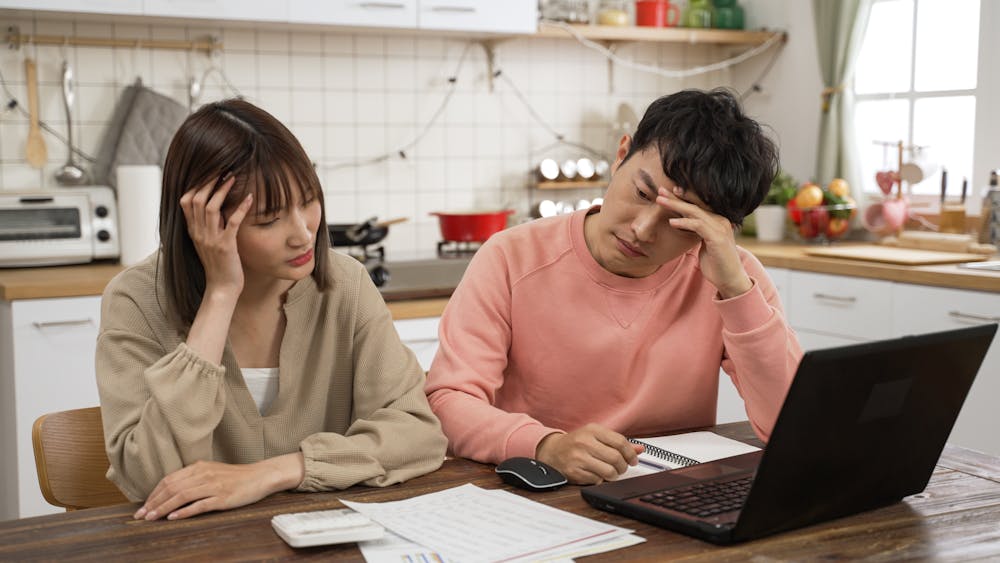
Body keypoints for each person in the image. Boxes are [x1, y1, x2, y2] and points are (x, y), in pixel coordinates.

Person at [425, 88, 803, 484]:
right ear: (621, 155)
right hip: (540, 485)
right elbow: (449, 403)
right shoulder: (510, 256)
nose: (642, 230)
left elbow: (790, 427)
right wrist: (544, 446)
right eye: (641, 193)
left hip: (666, 493)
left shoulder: (734, 277)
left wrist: (737, 292)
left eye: (679, 222)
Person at [96, 99, 447, 521]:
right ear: (200, 223)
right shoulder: (136, 300)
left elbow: (417, 433)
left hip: (324, 539)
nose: (302, 234)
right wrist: (220, 295)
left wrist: (276, 472)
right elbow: (150, 477)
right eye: (268, 220)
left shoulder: (344, 285)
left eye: (309, 201)